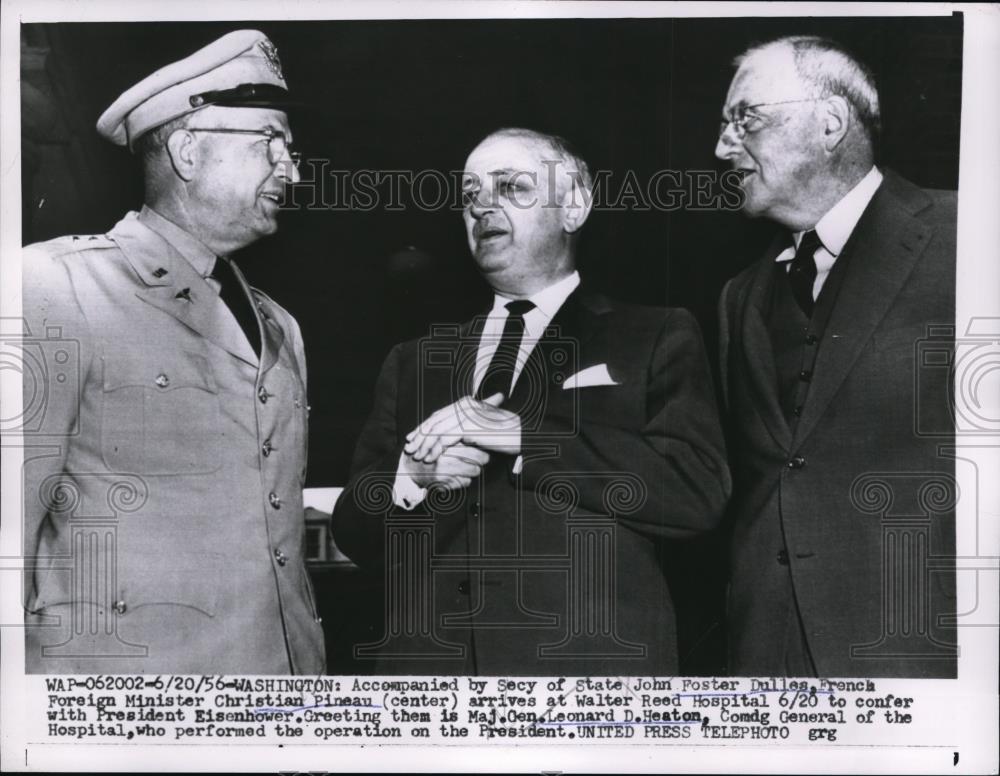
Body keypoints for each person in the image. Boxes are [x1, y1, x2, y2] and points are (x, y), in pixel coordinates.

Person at [332, 127, 730, 675]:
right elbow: (353, 530)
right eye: (471, 194)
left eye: (511, 186)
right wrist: (409, 477)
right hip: (430, 687)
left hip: (589, 680)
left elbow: (695, 492)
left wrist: (528, 439)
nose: (483, 207)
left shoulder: (656, 335)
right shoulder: (414, 360)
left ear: (574, 206)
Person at [21, 30, 325, 674]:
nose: (292, 169)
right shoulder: (57, 286)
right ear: (188, 150)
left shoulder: (282, 326)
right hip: (131, 714)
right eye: (270, 142)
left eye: (291, 150)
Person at [715, 36, 956, 677]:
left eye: (746, 119)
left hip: (920, 653)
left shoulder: (968, 238)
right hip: (765, 658)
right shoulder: (739, 297)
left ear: (830, 123)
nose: (722, 148)